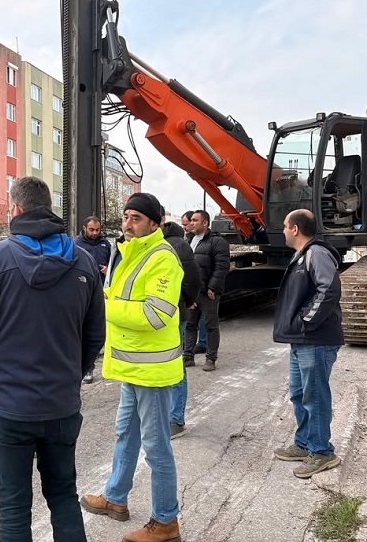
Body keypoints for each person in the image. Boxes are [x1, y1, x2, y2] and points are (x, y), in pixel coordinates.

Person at [0, 176, 105, 542]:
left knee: (13, 506)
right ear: (49, 207)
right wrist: (74, 374)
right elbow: (95, 335)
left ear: (17, 209)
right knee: (63, 496)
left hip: (8, 404)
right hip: (61, 403)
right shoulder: (84, 262)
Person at [81, 192, 184, 542]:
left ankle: (166, 521)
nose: (127, 224)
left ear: (155, 223)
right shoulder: (126, 253)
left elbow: (156, 315)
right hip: (131, 367)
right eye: (126, 216)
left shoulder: (162, 258)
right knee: (126, 433)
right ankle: (115, 497)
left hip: (151, 372)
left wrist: (103, 307)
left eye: (136, 218)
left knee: (156, 448)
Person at [273, 209, 344, 479]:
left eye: (284, 226)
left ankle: (322, 451)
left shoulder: (317, 253)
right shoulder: (302, 255)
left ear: (295, 229)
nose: (282, 231)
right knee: (299, 393)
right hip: (302, 339)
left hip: (315, 338)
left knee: (315, 395)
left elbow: (329, 290)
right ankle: (304, 444)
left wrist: (307, 321)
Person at [161, 212, 201, 439]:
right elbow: (193, 278)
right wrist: (186, 299)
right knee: (172, 363)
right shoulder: (180, 244)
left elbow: (193, 277)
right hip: (173, 311)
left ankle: (176, 418)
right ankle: (172, 417)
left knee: (174, 365)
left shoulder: (171, 245)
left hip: (170, 313)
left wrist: (185, 298)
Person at [185, 209, 230, 371]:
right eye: (191, 221)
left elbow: (222, 267)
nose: (191, 223)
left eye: (195, 220)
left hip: (207, 293)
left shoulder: (217, 242)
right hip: (192, 292)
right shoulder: (189, 240)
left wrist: (213, 287)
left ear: (205, 223)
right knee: (190, 325)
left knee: (211, 325)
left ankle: (211, 358)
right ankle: (188, 356)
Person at [74, 215, 111, 383]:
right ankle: (87, 369)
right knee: (84, 331)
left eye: (97, 230)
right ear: (84, 228)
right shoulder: (76, 244)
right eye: (91, 230)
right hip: (82, 291)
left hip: (103, 291)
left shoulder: (106, 244)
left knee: (99, 330)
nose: (95, 233)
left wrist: (108, 270)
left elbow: (114, 265)